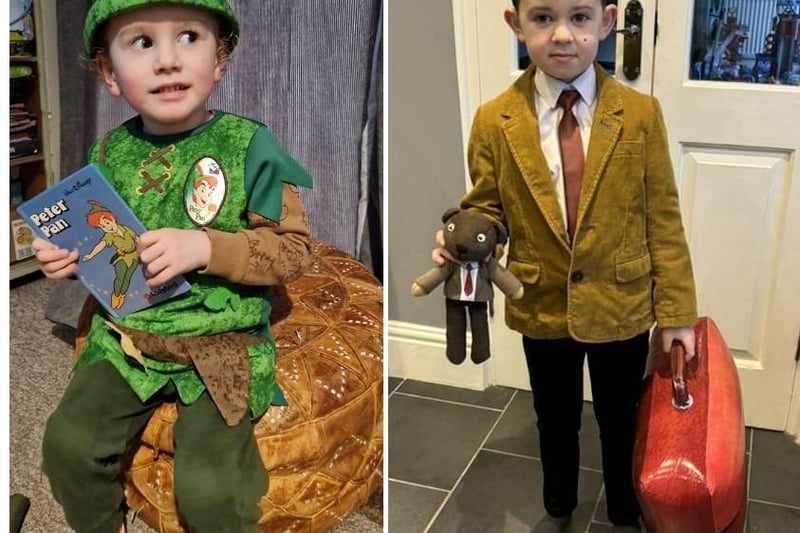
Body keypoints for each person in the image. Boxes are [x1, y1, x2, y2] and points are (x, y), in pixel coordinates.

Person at [31, 1, 314, 531]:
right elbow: (101, 247)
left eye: (188, 37)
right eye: (142, 43)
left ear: (220, 61)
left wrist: (208, 248)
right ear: (109, 74)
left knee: (210, 492)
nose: (168, 60)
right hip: (129, 337)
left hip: (220, 345)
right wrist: (65, 259)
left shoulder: (250, 146)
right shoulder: (108, 151)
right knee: (66, 444)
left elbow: (294, 253)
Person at [432, 0, 697, 531]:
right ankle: (559, 510)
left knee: (621, 418)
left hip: (620, 303)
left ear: (607, 21)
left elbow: (662, 217)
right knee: (554, 419)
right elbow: (487, 206)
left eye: (579, 18)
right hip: (542, 301)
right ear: (516, 25)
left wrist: (677, 314)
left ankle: (625, 509)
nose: (561, 35)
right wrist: (467, 241)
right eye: (542, 18)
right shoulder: (494, 120)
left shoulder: (641, 115)